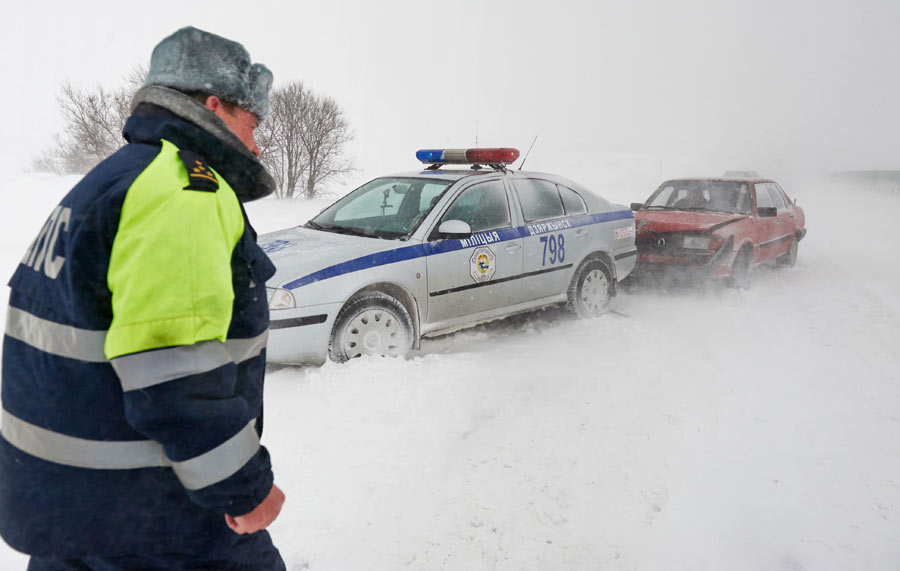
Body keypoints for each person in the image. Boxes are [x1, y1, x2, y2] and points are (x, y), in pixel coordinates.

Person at [0, 26, 286, 570]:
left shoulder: (112, 180)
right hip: (152, 513)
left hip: (74, 506)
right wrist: (243, 488)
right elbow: (173, 369)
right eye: (254, 123)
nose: (257, 144)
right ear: (214, 105)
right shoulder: (182, 193)